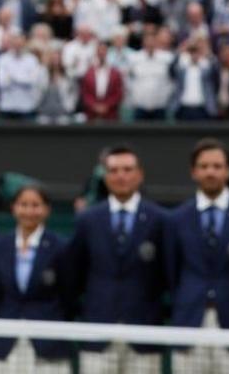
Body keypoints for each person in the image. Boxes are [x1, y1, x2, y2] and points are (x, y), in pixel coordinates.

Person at [166, 138, 229, 374]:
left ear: (228, 171)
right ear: (193, 172)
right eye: (204, 166)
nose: (210, 172)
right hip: (189, 322)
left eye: (217, 166)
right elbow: (171, 272)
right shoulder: (176, 218)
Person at [69, 145, 166, 374]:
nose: (120, 176)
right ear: (104, 176)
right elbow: (75, 274)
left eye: (127, 169)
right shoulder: (87, 220)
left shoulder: (161, 219)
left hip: (145, 335)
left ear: (139, 174)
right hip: (97, 333)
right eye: (113, 170)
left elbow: (167, 273)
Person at [0, 184, 71, 373]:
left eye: (36, 205)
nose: (29, 211)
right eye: (23, 204)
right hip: (5, 341)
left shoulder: (61, 247)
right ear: (13, 208)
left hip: (48, 343)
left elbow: (68, 295)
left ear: (47, 209)